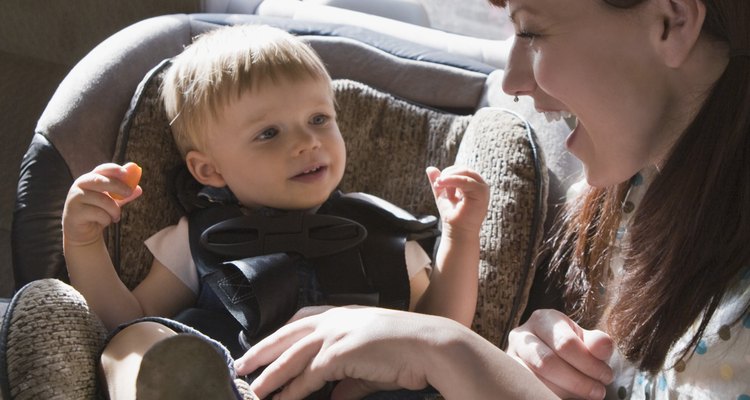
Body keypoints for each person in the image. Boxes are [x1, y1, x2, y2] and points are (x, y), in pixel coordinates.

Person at [232, 0, 750, 399]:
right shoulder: (638, 194)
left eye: (531, 31)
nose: (513, 80)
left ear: (673, 22)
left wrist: (447, 353)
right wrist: (521, 369)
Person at [61, 24, 490, 399]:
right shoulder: (199, 238)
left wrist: (460, 236)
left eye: (319, 119)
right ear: (209, 169)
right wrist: (84, 243)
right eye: (269, 133)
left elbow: (443, 331)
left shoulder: (380, 232)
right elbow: (122, 321)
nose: (307, 142)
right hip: (239, 385)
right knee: (133, 340)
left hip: (362, 391)